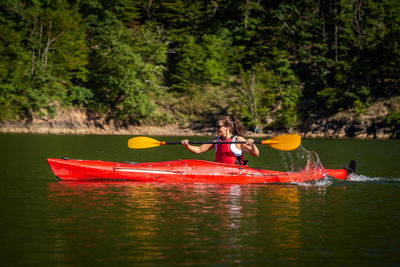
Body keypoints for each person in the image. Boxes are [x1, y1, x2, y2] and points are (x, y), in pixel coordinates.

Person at [181, 116, 259, 165]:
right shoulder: (216, 141)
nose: (216, 129)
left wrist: (253, 145)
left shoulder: (238, 140)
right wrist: (187, 146)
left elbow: (255, 154)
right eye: (216, 126)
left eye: (218, 127)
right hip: (220, 172)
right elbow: (198, 150)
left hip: (235, 173)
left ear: (227, 128)